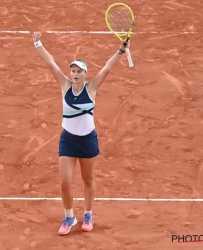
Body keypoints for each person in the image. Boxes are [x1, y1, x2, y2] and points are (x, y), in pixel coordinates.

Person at [32, 31, 130, 235]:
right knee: (65, 182)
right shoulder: (65, 85)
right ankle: (69, 216)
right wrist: (38, 44)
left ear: (85, 74)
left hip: (87, 141)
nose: (75, 74)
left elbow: (107, 67)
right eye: (73, 71)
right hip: (67, 140)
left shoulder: (92, 87)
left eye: (79, 71)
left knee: (88, 179)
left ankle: (88, 213)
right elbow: (51, 63)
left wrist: (121, 50)